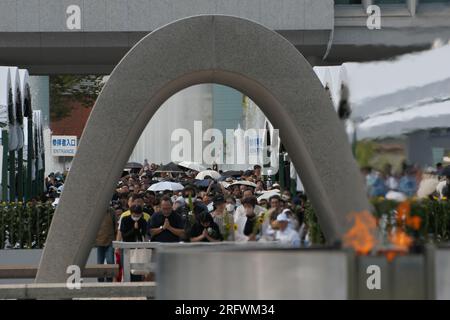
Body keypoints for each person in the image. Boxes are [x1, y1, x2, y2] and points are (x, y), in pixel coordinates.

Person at [119, 205, 148, 282]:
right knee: (126, 269)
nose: (136, 217)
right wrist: (134, 229)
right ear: (131, 213)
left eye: (138, 215)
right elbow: (124, 236)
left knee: (137, 270)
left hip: (138, 249)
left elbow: (143, 235)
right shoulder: (125, 219)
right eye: (134, 215)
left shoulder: (143, 221)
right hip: (127, 248)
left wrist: (137, 230)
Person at [95, 208, 117, 282]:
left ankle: (110, 280)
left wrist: (116, 240)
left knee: (110, 261)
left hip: (110, 240)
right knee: (99, 262)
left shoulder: (111, 212)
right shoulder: (96, 212)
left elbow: (116, 227)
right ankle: (100, 279)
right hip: (98, 241)